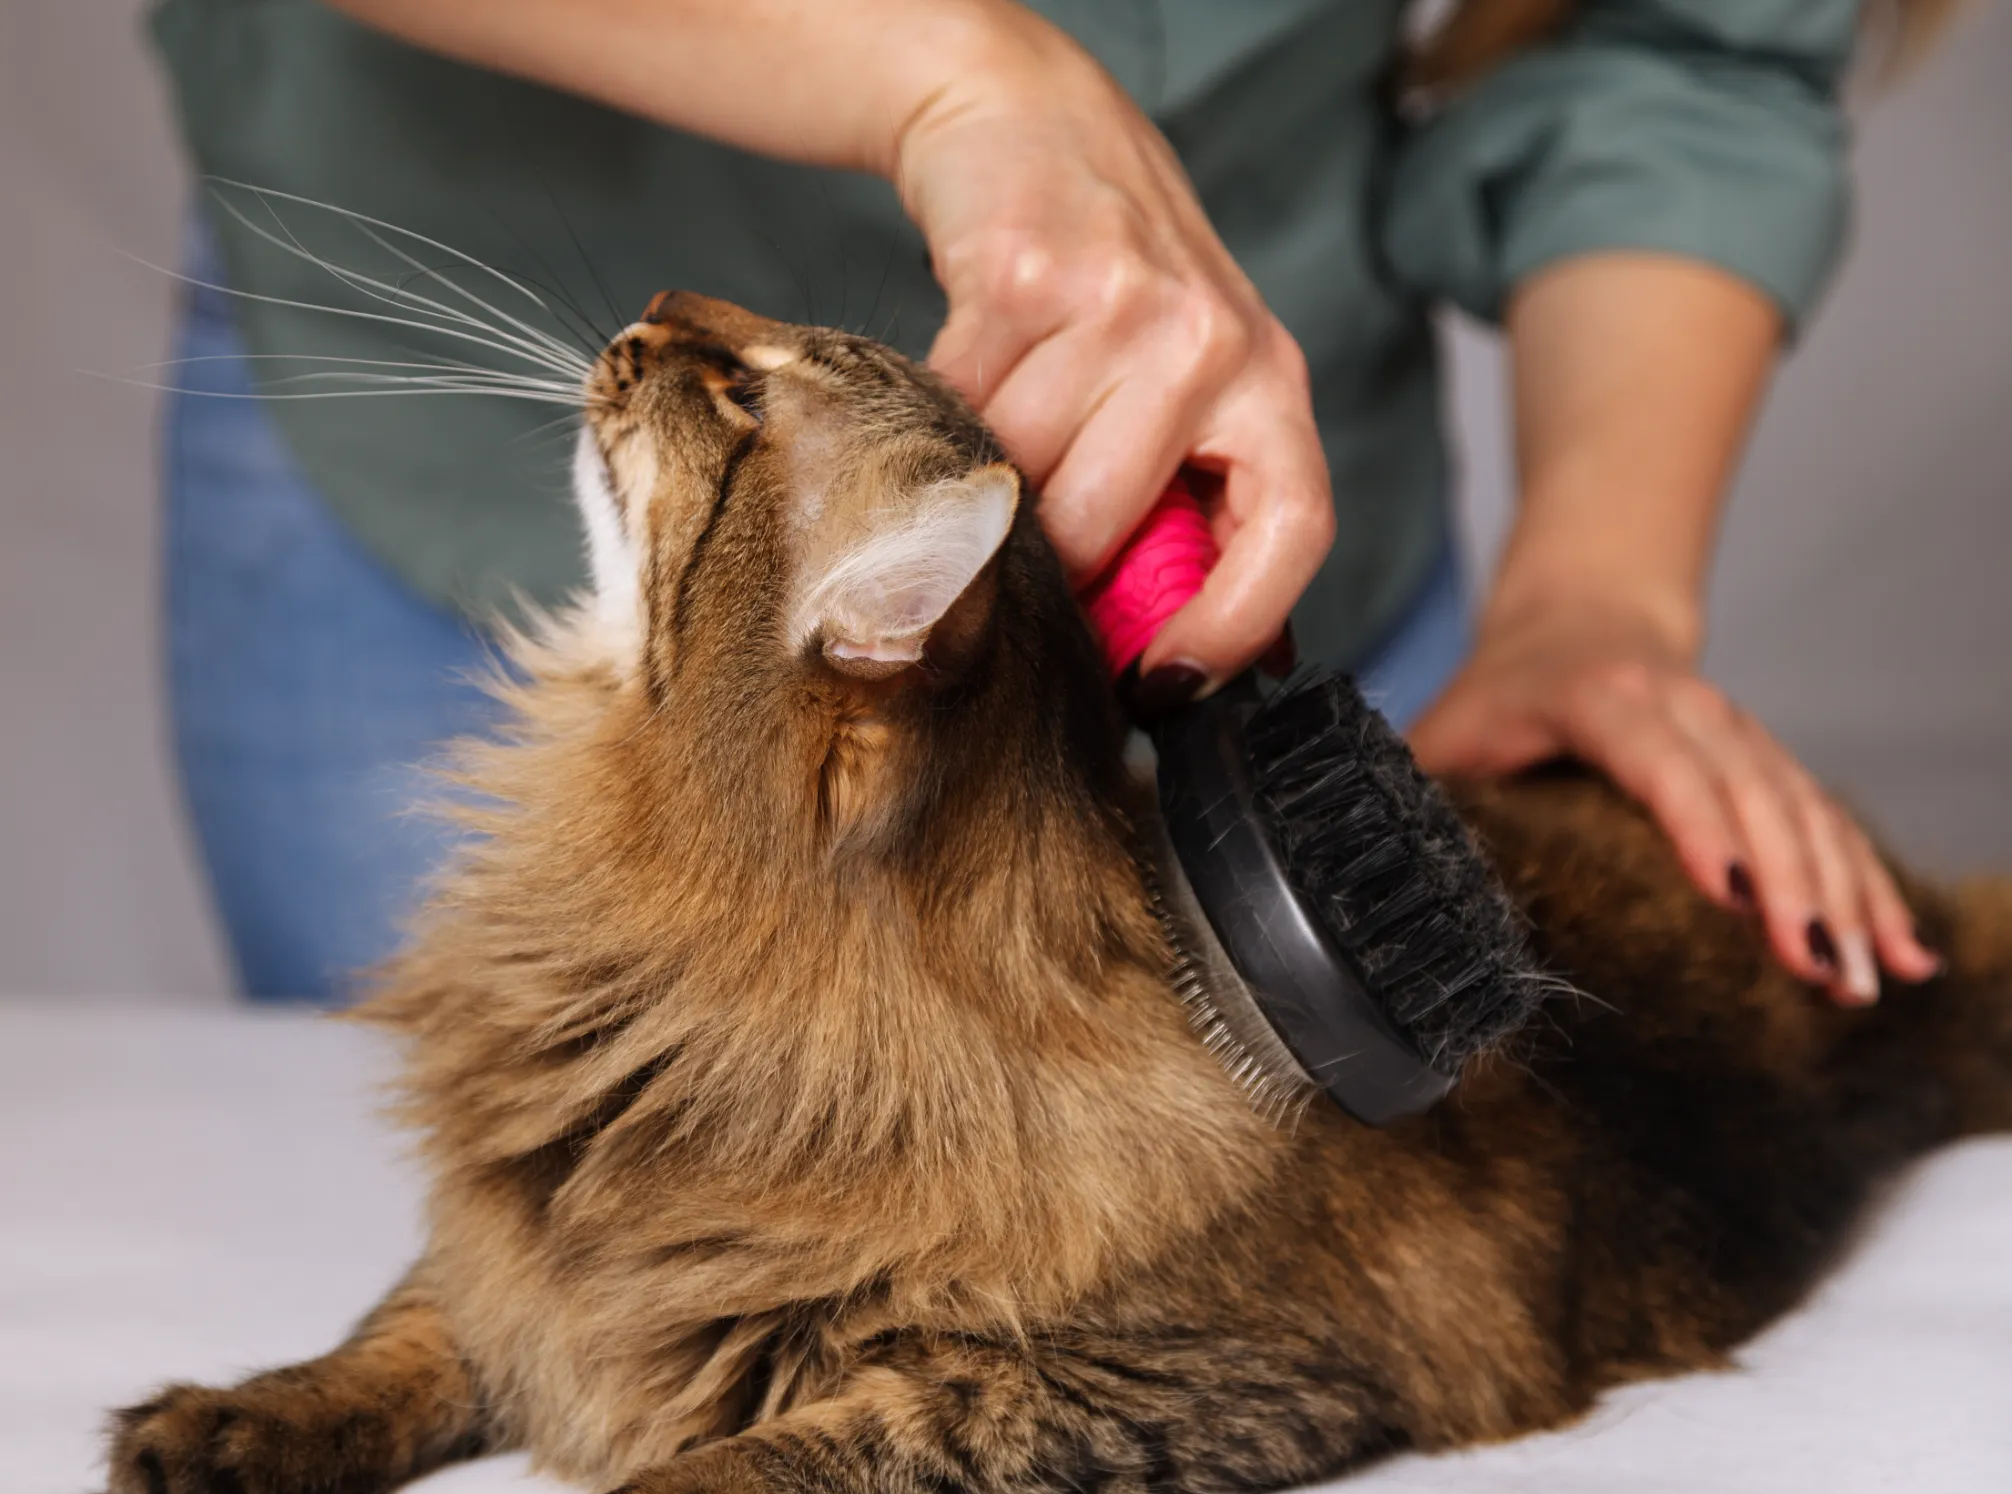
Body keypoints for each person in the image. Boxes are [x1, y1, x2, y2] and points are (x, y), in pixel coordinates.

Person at [148, 0, 1948, 1008]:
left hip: (1254, 533)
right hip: (457, 447)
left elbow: (1674, 45)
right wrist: (950, 73)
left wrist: (1596, 600)